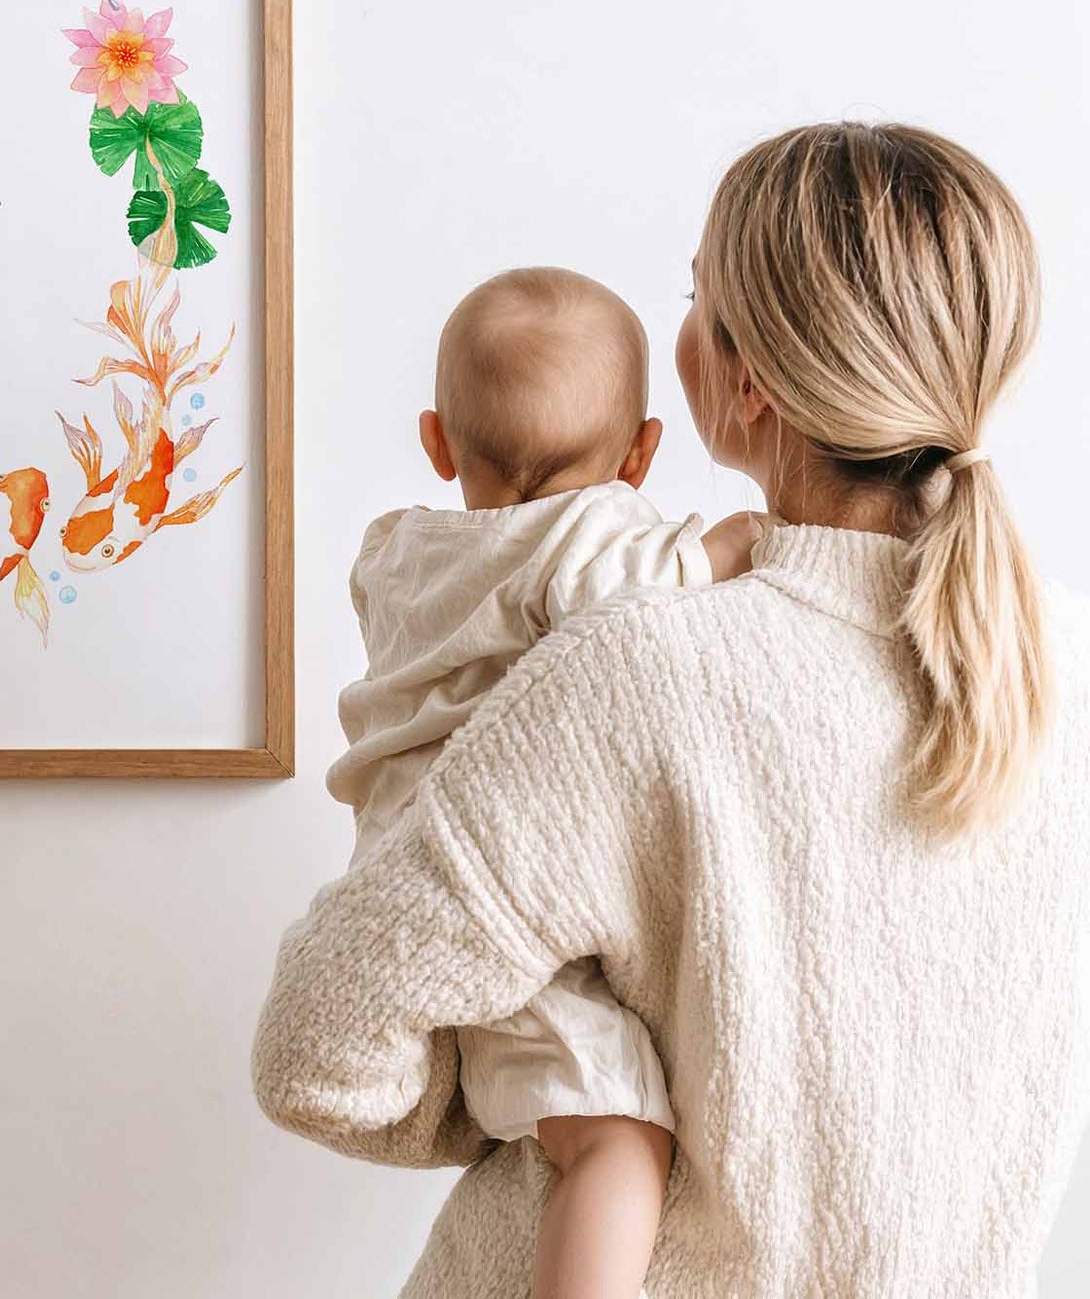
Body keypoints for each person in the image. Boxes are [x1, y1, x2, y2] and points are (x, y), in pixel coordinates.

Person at [254, 123, 1090, 1298]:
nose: (681, 321)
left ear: (747, 381)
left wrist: (527, 1093)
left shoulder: (636, 668)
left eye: (696, 297)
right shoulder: (1057, 668)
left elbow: (315, 1047)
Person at [329, 266, 760, 1299]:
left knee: (573, 1115)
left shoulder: (392, 555)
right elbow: (634, 589)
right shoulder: (585, 547)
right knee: (615, 1134)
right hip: (497, 888)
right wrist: (735, 542)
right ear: (639, 455)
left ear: (437, 443)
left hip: (406, 868)